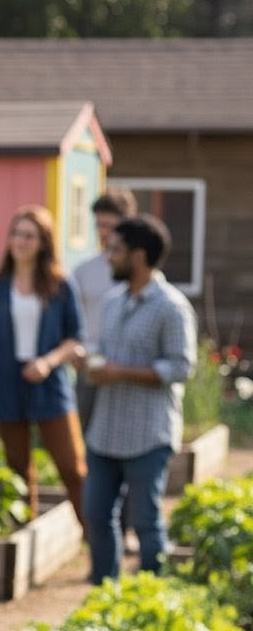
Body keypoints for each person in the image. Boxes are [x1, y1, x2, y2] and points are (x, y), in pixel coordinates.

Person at [83, 214, 197, 583]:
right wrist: (91, 363)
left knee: (146, 522)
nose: (108, 256)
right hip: (106, 430)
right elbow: (103, 350)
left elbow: (181, 367)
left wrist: (123, 372)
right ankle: (105, 593)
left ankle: (151, 596)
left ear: (140, 255)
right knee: (97, 516)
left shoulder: (171, 306)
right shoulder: (114, 301)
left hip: (149, 433)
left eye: (116, 250)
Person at [0, 204, 87, 526]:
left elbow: (76, 339)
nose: (21, 241)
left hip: (49, 383)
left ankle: (94, 539)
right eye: (16, 233)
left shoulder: (60, 284)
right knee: (17, 468)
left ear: (44, 242)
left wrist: (48, 362)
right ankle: (25, 536)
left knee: (72, 468)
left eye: (29, 236)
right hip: (7, 380)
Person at [72, 187, 138, 432]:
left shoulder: (137, 270)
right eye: (98, 225)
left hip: (128, 365)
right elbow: (73, 321)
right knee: (85, 430)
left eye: (109, 225)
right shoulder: (84, 271)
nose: (103, 232)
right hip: (92, 362)